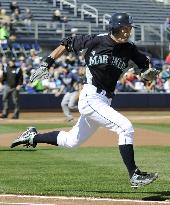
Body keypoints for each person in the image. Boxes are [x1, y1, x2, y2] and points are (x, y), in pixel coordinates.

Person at [10, 12, 159, 188]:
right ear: (114, 28)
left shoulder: (130, 49)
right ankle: (134, 175)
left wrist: (148, 74)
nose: (127, 32)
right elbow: (67, 43)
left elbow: (146, 68)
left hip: (105, 101)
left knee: (71, 141)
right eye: (124, 29)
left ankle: (32, 137)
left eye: (129, 29)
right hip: (90, 97)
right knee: (125, 127)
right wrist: (46, 63)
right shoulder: (96, 40)